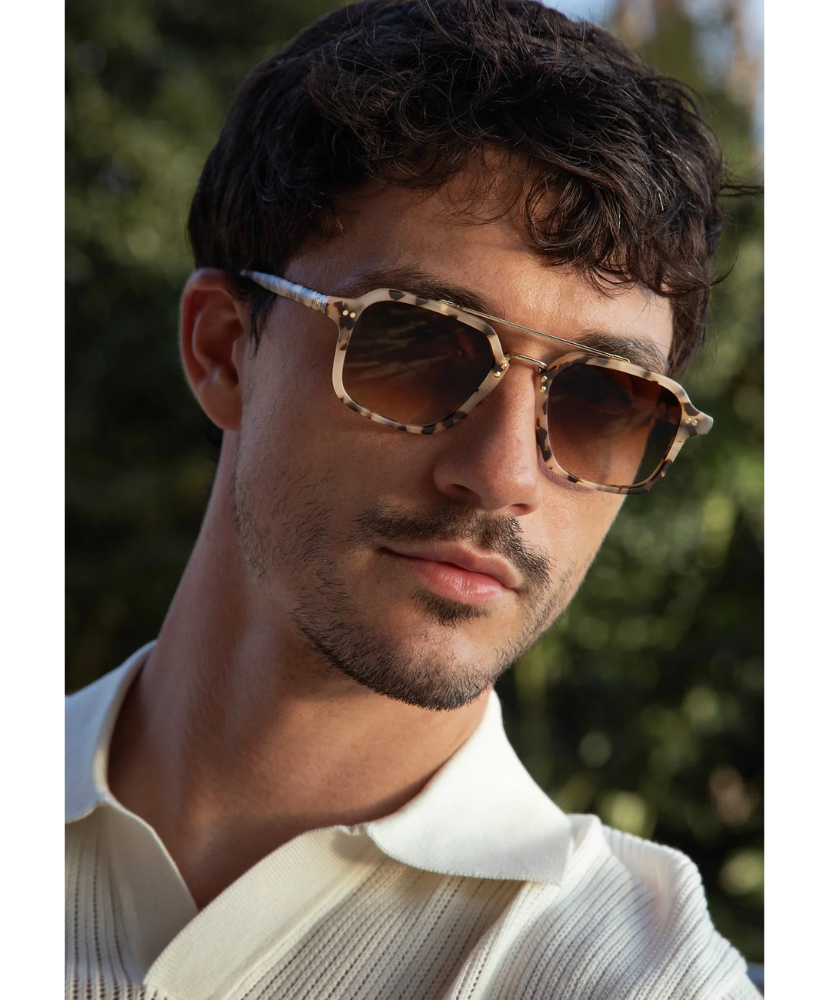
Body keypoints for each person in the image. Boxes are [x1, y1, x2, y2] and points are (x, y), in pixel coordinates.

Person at [64, 1, 761, 996]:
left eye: (606, 400)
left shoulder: (633, 973)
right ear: (225, 350)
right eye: (418, 344)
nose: (506, 473)